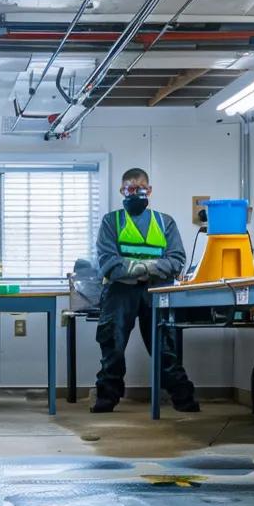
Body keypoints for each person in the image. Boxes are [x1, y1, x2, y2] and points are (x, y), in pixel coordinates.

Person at [93, 168, 198, 413]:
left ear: (149, 190)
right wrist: (149, 268)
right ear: (122, 191)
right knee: (113, 348)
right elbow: (108, 263)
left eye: (140, 188)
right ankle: (106, 399)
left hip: (157, 292)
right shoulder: (112, 221)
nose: (135, 193)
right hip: (120, 293)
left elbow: (176, 259)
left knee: (165, 348)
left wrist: (141, 268)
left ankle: (184, 399)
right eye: (129, 188)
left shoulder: (165, 222)